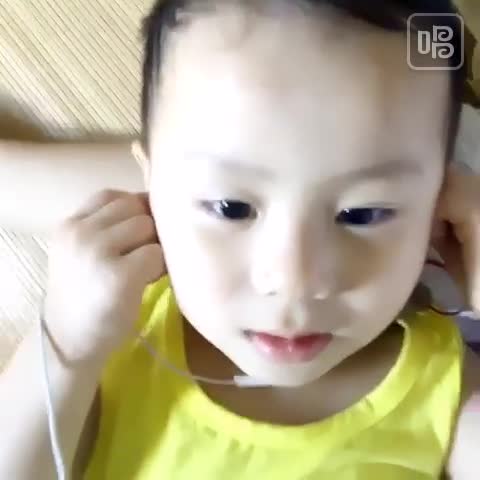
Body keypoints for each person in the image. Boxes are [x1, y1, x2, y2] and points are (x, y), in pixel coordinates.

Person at [0, 0, 479, 478]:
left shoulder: (451, 394)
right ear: (151, 187)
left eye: (362, 213)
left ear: (441, 210)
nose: (293, 281)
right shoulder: (106, 338)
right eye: (231, 208)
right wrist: (65, 345)